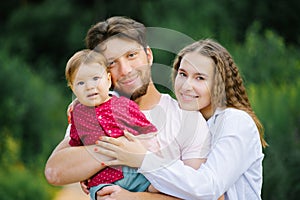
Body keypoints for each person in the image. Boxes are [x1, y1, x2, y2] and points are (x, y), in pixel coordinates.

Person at [44, 16, 211, 200]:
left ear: (148, 55)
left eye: (131, 55)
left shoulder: (186, 120)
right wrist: (119, 150)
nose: (125, 70)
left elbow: (200, 194)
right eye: (111, 63)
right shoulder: (91, 112)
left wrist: (134, 197)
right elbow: (55, 172)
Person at [93, 39, 267, 200]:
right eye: (183, 74)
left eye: (200, 78)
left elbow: (208, 188)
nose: (186, 86)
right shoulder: (191, 121)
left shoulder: (235, 121)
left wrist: (143, 160)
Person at [64, 49, 162, 200]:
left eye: (95, 78)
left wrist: (151, 152)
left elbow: (147, 131)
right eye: (81, 83)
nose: (89, 87)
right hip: (102, 180)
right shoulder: (77, 116)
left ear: (108, 80)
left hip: (133, 170)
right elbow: (77, 147)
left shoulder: (123, 105)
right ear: (73, 88)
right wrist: (83, 173)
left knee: (159, 185)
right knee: (104, 196)